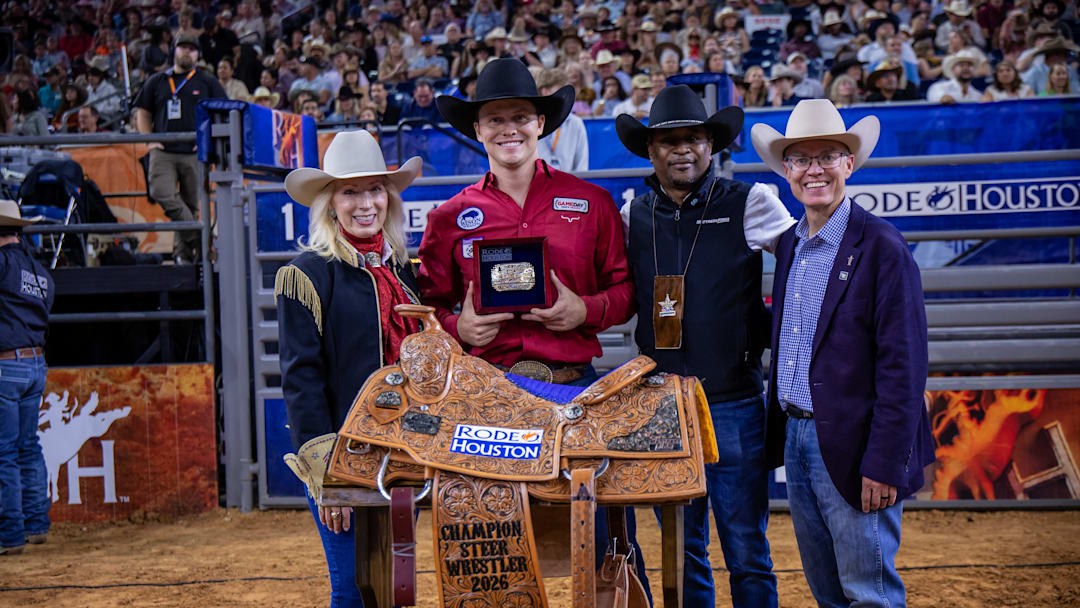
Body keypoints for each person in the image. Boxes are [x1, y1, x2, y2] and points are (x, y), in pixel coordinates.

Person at [418, 56, 642, 590]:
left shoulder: (592, 204)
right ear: (478, 130)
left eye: (520, 116)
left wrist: (583, 311)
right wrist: (458, 330)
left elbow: (627, 291)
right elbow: (427, 309)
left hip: (571, 390)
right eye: (495, 119)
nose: (508, 129)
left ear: (541, 123)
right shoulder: (449, 217)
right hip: (488, 394)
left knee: (610, 537)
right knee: (485, 543)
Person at [615, 84, 795, 608]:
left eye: (693, 138)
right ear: (650, 150)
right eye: (668, 141)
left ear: (711, 145)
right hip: (658, 405)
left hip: (733, 401)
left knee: (746, 546)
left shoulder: (752, 202)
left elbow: (806, 262)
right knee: (681, 546)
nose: (682, 150)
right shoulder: (634, 215)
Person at [751, 99, 935, 608]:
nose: (815, 170)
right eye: (802, 159)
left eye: (828, 156)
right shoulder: (790, 243)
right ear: (786, 170)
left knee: (868, 594)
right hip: (798, 436)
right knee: (829, 591)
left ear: (848, 164)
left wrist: (884, 462)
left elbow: (905, 366)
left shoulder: (882, 247)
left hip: (857, 445)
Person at [277, 130, 423, 608]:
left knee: (395, 586)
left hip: (407, 454)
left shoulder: (406, 271)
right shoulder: (307, 274)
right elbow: (302, 381)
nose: (366, 203)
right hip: (346, 458)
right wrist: (328, 479)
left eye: (376, 189)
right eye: (350, 191)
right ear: (330, 202)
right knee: (354, 590)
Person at [133, 34, 226, 264]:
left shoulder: (207, 81)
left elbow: (223, 111)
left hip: (195, 151)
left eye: (192, 49)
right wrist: (149, 140)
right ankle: (201, 240)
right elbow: (142, 112)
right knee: (160, 192)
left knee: (191, 204)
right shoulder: (158, 80)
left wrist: (207, 139)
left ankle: (183, 257)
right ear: (174, 50)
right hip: (162, 150)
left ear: (198, 54)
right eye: (183, 47)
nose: (187, 52)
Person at [0, 199, 54, 556]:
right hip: (35, 362)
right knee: (27, 445)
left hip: (6, 364)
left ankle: (10, 534)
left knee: (4, 450)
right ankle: (36, 524)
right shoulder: (39, 272)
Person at [535, 68, 589, 172]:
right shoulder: (531, 123)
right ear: (545, 92)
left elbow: (582, 165)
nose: (564, 96)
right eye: (560, 91)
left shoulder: (575, 123)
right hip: (537, 185)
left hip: (568, 185)